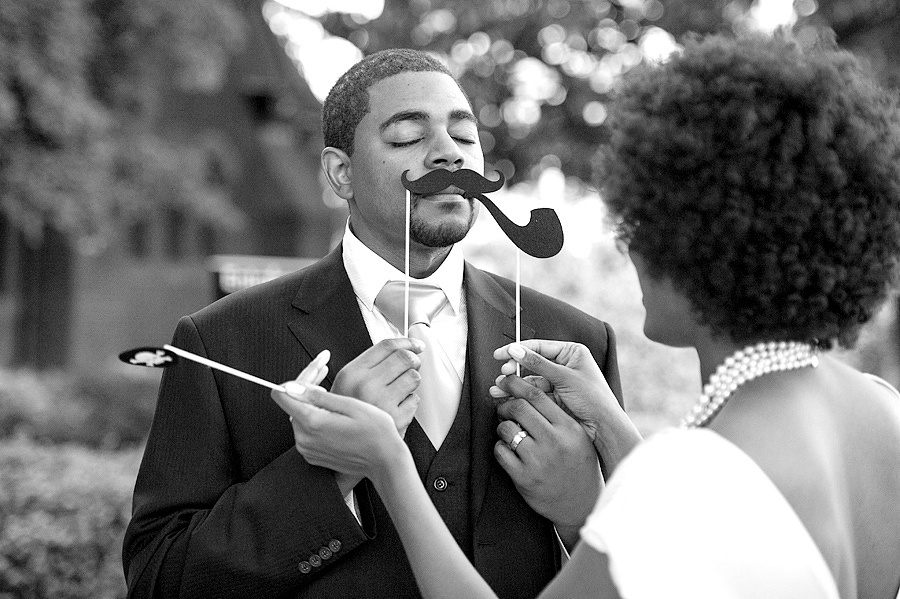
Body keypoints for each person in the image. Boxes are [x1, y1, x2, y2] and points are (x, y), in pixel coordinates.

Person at [272, 33, 900, 599]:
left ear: (705, 242)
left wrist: (388, 464)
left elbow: (684, 502)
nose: (629, 244)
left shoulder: (687, 472)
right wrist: (610, 424)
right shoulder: (879, 410)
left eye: (647, 218)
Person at [122, 48, 623, 598]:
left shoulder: (576, 342)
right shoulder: (222, 340)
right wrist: (329, 474)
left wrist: (583, 514)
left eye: (464, 135)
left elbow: (646, 573)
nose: (449, 156)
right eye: (409, 137)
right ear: (341, 174)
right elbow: (159, 578)